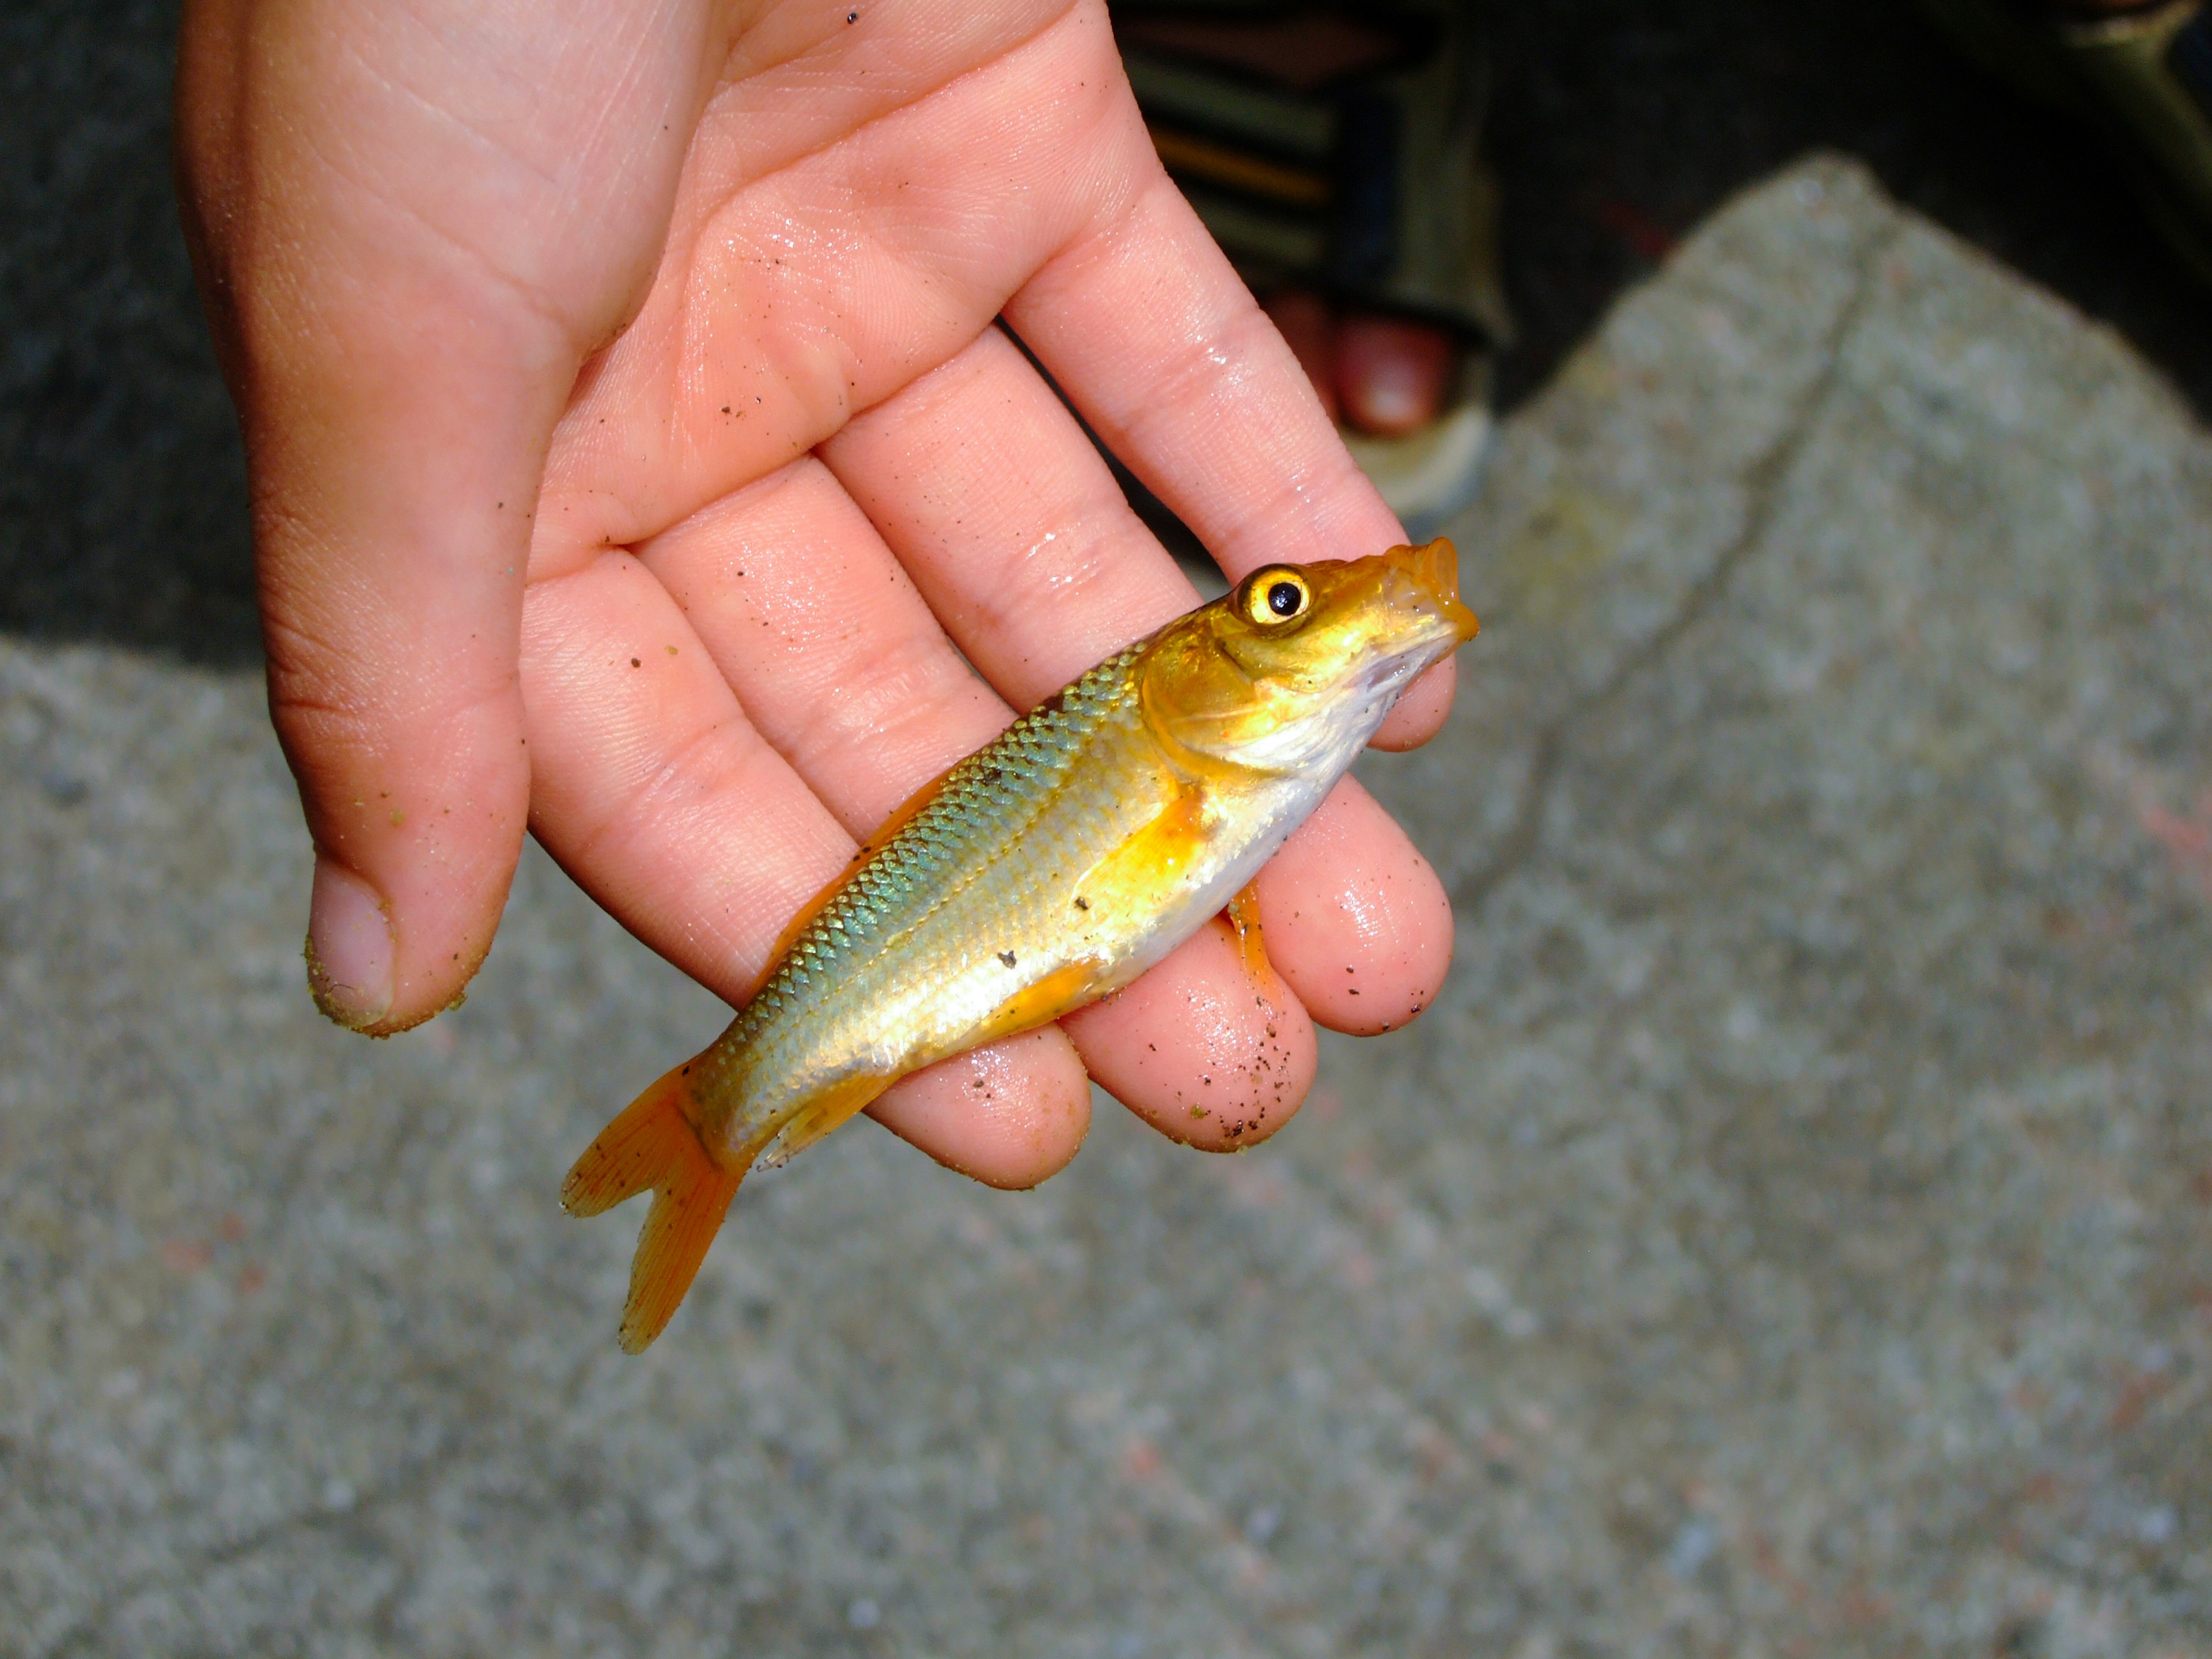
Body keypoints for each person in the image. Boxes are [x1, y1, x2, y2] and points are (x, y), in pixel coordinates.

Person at [173, 0, 1466, 1190]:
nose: (1300, 609)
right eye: (1282, 605)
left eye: (1278, 606)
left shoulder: (1203, 759)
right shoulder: (1172, 734)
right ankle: (725, 1113)